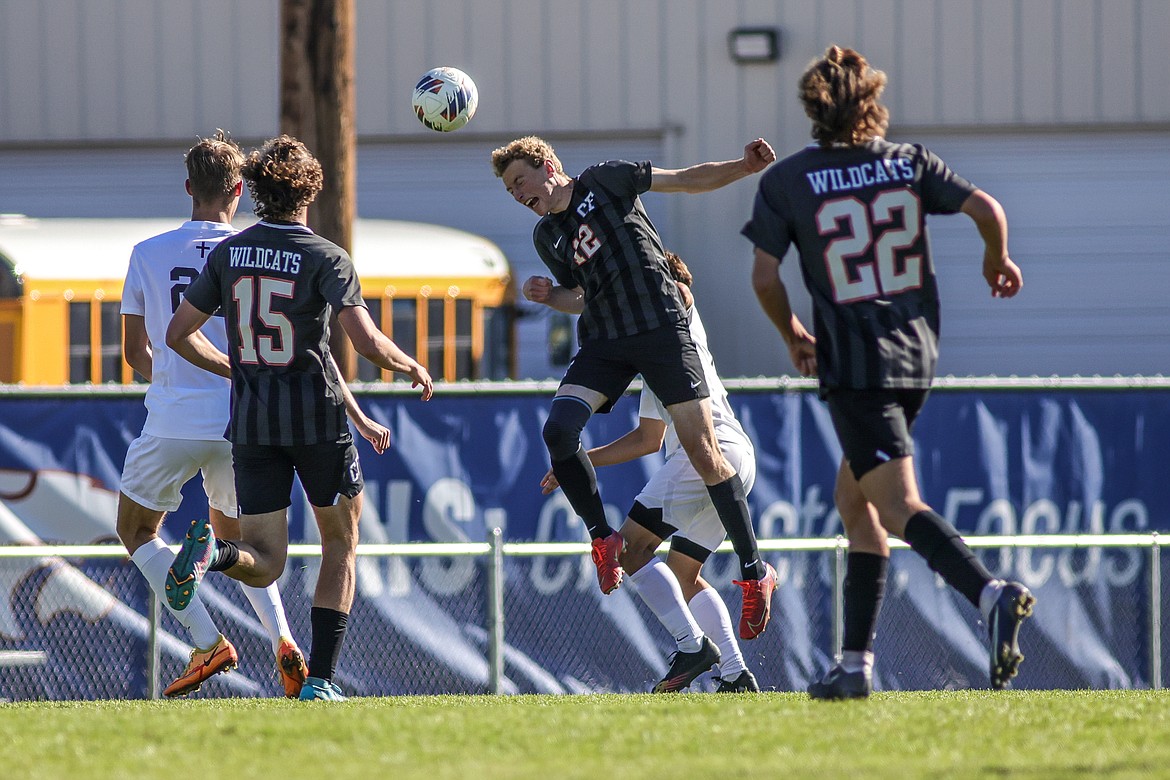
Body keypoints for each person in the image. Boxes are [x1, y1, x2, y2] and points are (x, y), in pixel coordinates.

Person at [743, 45, 1035, 699]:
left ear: (813, 109)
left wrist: (793, 333)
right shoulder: (906, 163)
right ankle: (853, 668)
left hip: (855, 361)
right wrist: (998, 261)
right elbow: (986, 208)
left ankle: (990, 596)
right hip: (915, 353)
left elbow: (764, 275)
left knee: (898, 505)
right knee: (856, 500)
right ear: (871, 101)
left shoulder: (788, 180)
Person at [117, 131, 387, 699]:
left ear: (188, 187)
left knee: (137, 529)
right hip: (247, 421)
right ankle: (286, 642)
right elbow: (311, 345)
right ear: (239, 189)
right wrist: (359, 412)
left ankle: (205, 641)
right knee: (258, 545)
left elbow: (136, 354)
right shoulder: (259, 250)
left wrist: (173, 377)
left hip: (171, 418)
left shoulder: (148, 252)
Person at [165, 134, 433, 702]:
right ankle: (321, 681)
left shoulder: (230, 254)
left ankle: (215, 553)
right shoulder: (325, 257)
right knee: (341, 542)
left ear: (256, 190)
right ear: (312, 188)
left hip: (254, 426)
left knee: (262, 563)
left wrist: (237, 371)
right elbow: (364, 342)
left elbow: (177, 334)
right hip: (316, 421)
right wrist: (409, 363)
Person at [492, 135, 778, 640]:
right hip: (607, 340)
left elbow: (686, 180)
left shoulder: (605, 179)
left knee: (706, 454)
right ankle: (602, 537)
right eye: (510, 189)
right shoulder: (547, 236)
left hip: (661, 330)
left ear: (548, 164)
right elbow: (582, 298)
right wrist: (550, 295)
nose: (517, 194)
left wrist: (742, 166)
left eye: (520, 180)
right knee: (559, 432)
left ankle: (754, 572)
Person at [539, 251, 761, 693]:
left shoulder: (673, 321)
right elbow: (648, 439)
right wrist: (577, 461)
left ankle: (691, 645)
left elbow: (678, 292)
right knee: (684, 571)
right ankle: (735, 674)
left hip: (705, 458)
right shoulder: (665, 352)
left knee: (630, 551)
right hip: (738, 457)